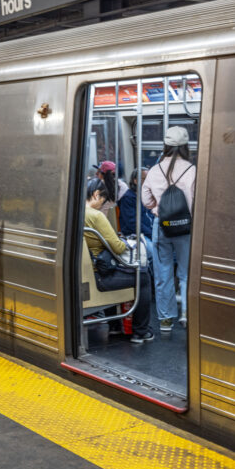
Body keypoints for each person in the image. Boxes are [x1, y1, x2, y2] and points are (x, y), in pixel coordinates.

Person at [84, 178, 154, 343]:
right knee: (143, 278)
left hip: (89, 273)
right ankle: (141, 331)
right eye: (102, 200)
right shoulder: (95, 216)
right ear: (95, 195)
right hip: (100, 277)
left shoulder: (75, 213)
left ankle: (115, 326)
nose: (102, 205)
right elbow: (118, 247)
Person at [142, 126, 196, 332]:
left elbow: (146, 200)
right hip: (186, 227)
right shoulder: (192, 170)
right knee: (185, 272)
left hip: (161, 226)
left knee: (163, 272)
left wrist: (158, 205)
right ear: (185, 147)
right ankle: (187, 313)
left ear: (165, 146)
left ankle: (165, 319)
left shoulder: (155, 171)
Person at [118, 168, 154, 270]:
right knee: (152, 251)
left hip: (150, 231)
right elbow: (133, 223)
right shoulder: (128, 198)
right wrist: (152, 234)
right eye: (144, 179)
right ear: (135, 181)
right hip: (136, 234)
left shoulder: (148, 195)